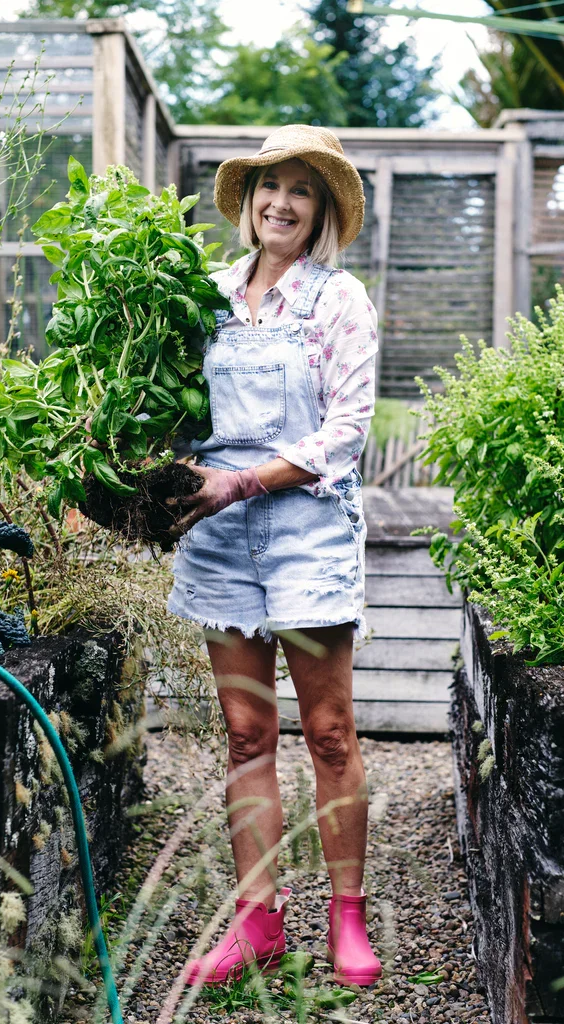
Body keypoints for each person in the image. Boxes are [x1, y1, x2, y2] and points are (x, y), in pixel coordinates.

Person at [167, 124, 381, 989]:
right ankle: (257, 921)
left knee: (328, 734)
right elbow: (178, 415)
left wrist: (241, 482)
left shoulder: (336, 301)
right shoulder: (204, 296)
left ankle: (347, 918)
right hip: (218, 540)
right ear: (248, 201)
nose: (280, 202)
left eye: (300, 189)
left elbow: (346, 432)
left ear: (320, 209)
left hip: (304, 531)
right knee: (246, 734)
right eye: (268, 186)